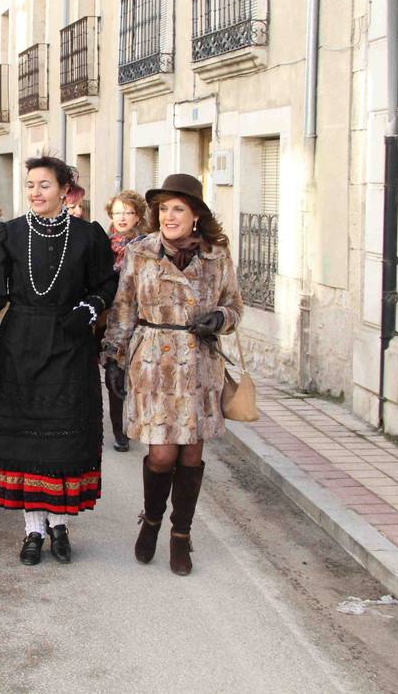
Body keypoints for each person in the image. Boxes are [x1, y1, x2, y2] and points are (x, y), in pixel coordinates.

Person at [0, 155, 118, 565]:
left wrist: (91, 307)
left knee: (62, 441)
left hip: (69, 345)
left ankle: (60, 524)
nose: (35, 192)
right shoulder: (8, 234)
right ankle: (33, 530)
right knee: (26, 440)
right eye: (30, 184)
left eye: (44, 185)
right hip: (19, 345)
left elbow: (108, 281)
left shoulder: (89, 235)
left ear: (65, 189)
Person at [103, 173, 243, 576]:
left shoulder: (217, 254)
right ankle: (151, 520)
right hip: (154, 365)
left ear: (196, 214)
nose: (169, 216)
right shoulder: (141, 252)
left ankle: (181, 535)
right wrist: (113, 355)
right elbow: (124, 305)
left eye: (178, 208)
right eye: (163, 209)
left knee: (192, 453)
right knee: (162, 453)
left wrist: (220, 317)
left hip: (199, 364)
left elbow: (234, 304)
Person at [100, 190, 148, 453]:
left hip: (138, 320)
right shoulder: (104, 245)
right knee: (112, 375)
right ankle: (120, 432)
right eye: (117, 212)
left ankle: (136, 422)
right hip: (108, 321)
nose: (122, 217)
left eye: (127, 212)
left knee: (136, 377)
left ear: (138, 216)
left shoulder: (147, 247)